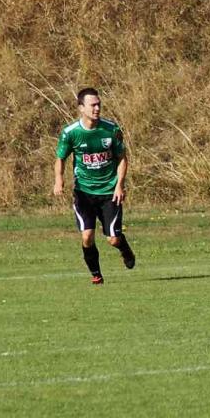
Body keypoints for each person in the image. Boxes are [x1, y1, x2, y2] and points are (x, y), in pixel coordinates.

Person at [53, 87, 135, 285]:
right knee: (87, 236)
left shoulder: (111, 129)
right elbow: (60, 158)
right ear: (81, 108)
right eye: (93, 105)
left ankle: (125, 249)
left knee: (113, 239)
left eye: (99, 104)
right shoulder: (70, 133)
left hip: (109, 192)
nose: (97, 108)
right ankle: (96, 274)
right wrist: (59, 179)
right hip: (84, 192)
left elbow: (123, 158)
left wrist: (119, 186)